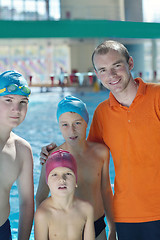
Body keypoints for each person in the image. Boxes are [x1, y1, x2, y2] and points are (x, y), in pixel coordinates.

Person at [87, 40, 160, 240]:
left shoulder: (157, 96)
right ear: (97, 74)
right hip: (127, 215)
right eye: (103, 70)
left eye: (116, 66)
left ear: (130, 64)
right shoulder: (102, 113)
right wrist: (55, 154)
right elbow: (88, 157)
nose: (111, 76)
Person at [36, 95, 117, 240]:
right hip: (65, 230)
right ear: (59, 125)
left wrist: (112, 227)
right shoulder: (52, 157)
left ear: (86, 122)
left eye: (77, 123)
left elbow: (106, 191)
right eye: (64, 124)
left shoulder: (101, 152)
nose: (71, 130)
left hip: (97, 225)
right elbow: (40, 197)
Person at [0, 70, 34, 240]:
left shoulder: (22, 150)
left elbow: (27, 203)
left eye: (23, 101)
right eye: (8, 100)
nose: (16, 108)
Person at [34, 149, 95, 240]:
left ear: (76, 180)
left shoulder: (86, 209)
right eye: (54, 174)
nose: (62, 179)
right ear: (47, 182)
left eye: (68, 173)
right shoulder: (43, 214)